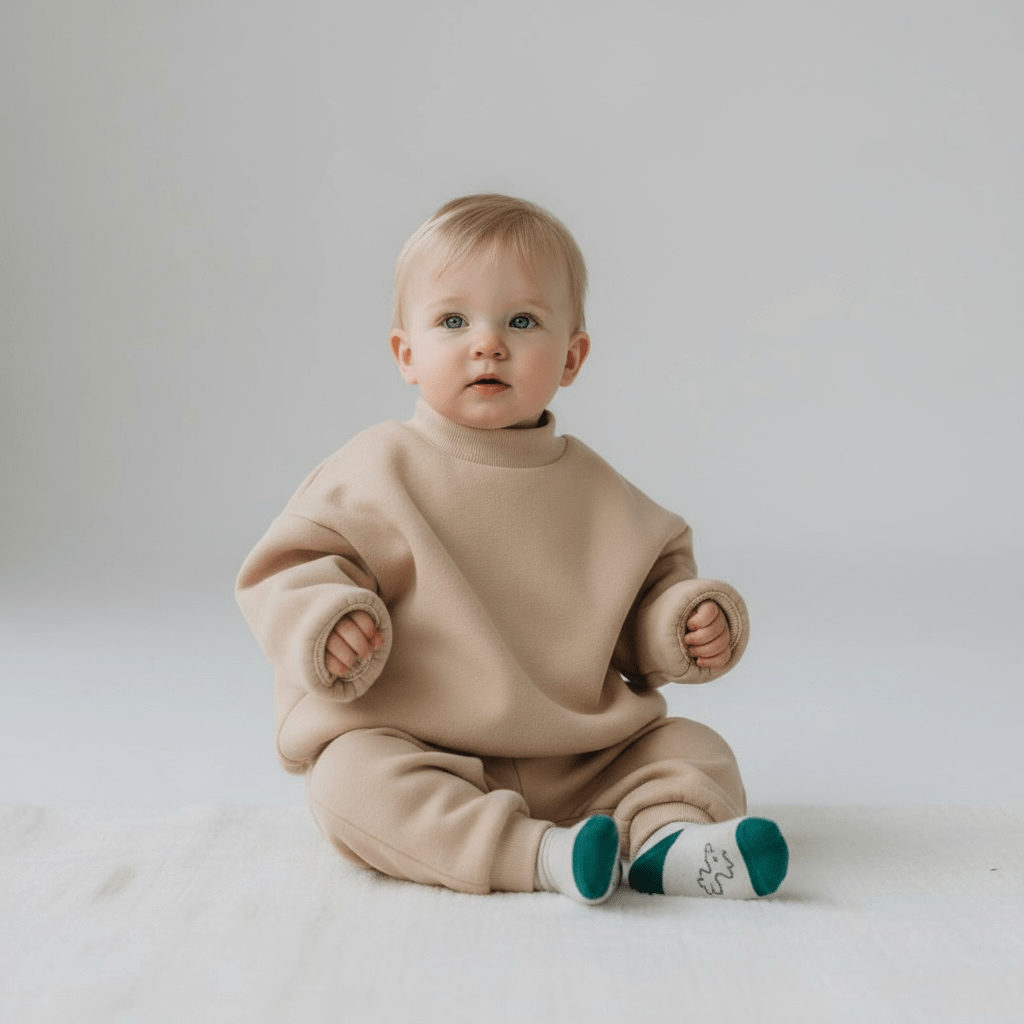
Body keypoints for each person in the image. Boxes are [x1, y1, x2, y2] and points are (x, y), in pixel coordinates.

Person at [236, 193, 788, 905]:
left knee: (694, 749)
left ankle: (667, 841)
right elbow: (288, 571)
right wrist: (326, 623)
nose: (487, 342)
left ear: (572, 357)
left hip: (581, 758)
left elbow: (643, 601)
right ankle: (542, 856)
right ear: (406, 352)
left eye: (522, 321)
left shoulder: (596, 491)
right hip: (425, 749)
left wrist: (679, 624)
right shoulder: (374, 471)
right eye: (453, 321)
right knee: (350, 783)